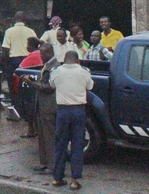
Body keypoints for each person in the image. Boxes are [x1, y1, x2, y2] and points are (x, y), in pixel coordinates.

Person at [49, 50, 94, 190]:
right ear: (78, 60)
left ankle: (57, 177)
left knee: (60, 144)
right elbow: (90, 86)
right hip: (78, 110)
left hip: (62, 110)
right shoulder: (84, 71)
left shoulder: (56, 71)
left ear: (64, 59)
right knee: (77, 144)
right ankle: (74, 180)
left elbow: (52, 85)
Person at [20, 44, 59, 174]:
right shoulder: (48, 65)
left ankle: (52, 165)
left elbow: (49, 87)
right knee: (42, 135)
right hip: (42, 106)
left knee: (49, 136)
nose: (40, 56)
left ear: (49, 52)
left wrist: (31, 84)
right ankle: (44, 162)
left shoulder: (54, 66)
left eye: (42, 54)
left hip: (49, 106)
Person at [2, 12, 37, 100]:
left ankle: (14, 101)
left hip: (13, 61)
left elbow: (6, 49)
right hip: (28, 61)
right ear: (25, 20)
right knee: (27, 82)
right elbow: (36, 47)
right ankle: (26, 100)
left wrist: (6, 63)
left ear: (15, 19)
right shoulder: (31, 31)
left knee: (12, 83)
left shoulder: (9, 31)